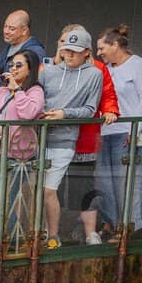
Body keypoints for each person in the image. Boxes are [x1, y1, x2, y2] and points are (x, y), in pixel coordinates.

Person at [54, 24, 120, 245]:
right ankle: (53, 231)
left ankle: (90, 231)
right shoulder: (54, 68)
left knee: (84, 187)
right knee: (53, 188)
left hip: (85, 138)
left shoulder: (99, 69)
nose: (66, 50)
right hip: (56, 136)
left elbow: (108, 94)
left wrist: (110, 109)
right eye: (63, 44)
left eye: (71, 45)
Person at [39, 28, 102, 249]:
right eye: (66, 50)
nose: (70, 55)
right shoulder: (48, 71)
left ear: (87, 51)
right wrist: (41, 114)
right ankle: (37, 233)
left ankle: (52, 235)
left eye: (75, 51)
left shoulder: (94, 74)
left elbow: (90, 109)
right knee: (33, 188)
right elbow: (35, 97)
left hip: (65, 138)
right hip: (38, 137)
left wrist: (65, 114)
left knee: (49, 188)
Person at [94, 24, 142, 236]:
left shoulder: (138, 65)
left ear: (115, 44)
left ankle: (131, 225)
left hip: (128, 133)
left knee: (128, 182)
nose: (99, 53)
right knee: (105, 182)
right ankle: (112, 223)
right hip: (106, 131)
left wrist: (135, 130)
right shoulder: (105, 69)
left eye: (102, 48)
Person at [0, 50, 44, 229]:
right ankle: (9, 238)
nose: (13, 69)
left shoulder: (35, 91)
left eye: (19, 65)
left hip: (18, 156)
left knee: (5, 199)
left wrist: (18, 90)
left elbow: (28, 113)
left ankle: (8, 239)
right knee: (0, 201)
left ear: (30, 69)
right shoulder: (2, 90)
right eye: (11, 65)